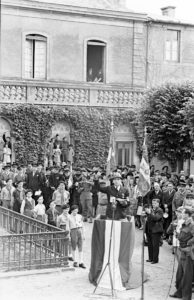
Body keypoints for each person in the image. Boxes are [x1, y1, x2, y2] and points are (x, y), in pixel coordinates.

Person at [170, 208, 194, 299]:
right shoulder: (184, 223)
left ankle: (186, 296)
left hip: (188, 253)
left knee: (187, 276)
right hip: (182, 251)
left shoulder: (192, 225)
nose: (181, 214)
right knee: (179, 274)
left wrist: (189, 243)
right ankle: (179, 293)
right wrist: (177, 234)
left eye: (183, 213)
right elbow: (183, 235)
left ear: (188, 214)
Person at [145, 198, 164, 264]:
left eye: (155, 203)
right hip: (149, 229)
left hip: (156, 230)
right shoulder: (151, 209)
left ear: (158, 204)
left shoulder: (160, 210)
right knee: (149, 244)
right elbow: (148, 218)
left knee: (155, 245)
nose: (153, 204)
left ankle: (155, 259)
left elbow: (156, 218)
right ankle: (150, 258)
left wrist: (150, 213)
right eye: (153, 203)